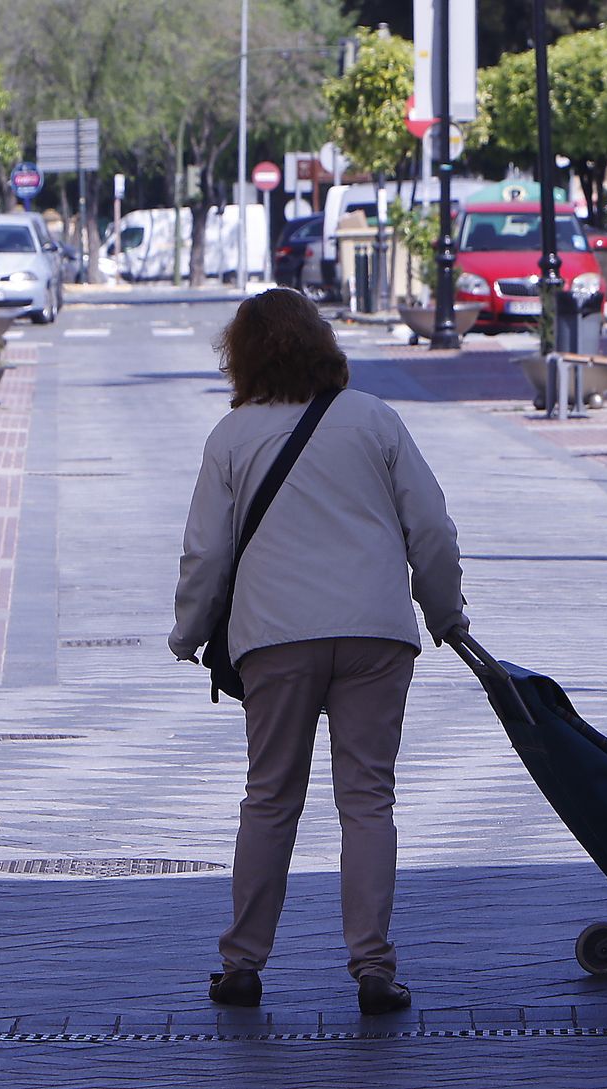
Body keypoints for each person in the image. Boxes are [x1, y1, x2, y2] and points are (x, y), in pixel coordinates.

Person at [169, 289, 467, 1017]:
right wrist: (445, 613)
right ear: (321, 344)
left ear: (240, 356)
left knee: (270, 797)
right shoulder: (375, 420)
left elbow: (206, 553)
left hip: (275, 636)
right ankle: (372, 966)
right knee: (368, 798)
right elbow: (431, 528)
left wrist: (189, 631)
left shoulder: (231, 438)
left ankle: (242, 961)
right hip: (375, 634)